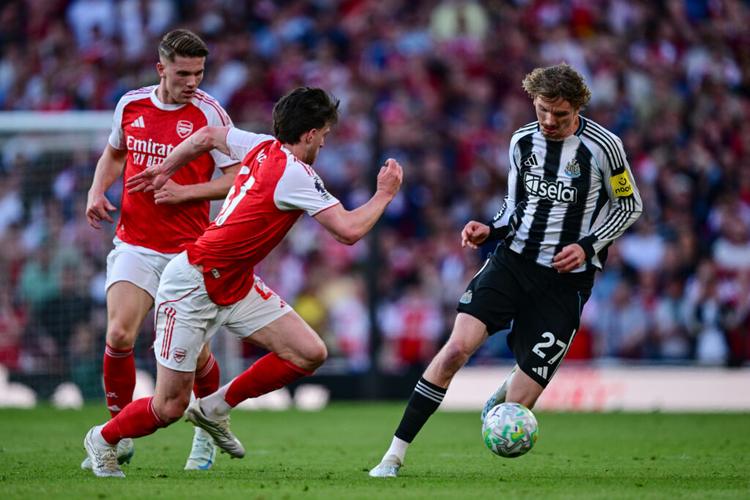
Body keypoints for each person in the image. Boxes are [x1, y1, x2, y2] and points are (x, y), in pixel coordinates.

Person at [82, 87, 403, 478]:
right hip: (193, 283)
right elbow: (348, 230)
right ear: (309, 135)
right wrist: (384, 194)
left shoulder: (260, 144)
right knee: (169, 406)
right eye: (323, 134)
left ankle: (215, 407)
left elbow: (206, 137)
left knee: (308, 352)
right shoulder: (296, 174)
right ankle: (102, 438)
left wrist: (166, 167)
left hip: (235, 281)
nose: (324, 142)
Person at [369, 63, 643, 478]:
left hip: (564, 283)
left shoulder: (605, 147)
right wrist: (490, 228)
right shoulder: (522, 141)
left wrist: (588, 246)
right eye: (542, 110)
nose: (549, 121)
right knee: (455, 350)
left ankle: (513, 383)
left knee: (515, 410)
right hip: (512, 263)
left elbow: (629, 205)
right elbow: (514, 206)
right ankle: (393, 456)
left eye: (560, 114)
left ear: (577, 108)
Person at [83, 29, 240, 472]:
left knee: (198, 353)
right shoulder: (131, 104)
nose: (192, 81)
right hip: (135, 243)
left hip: (188, 252)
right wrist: (96, 190)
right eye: (183, 73)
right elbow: (115, 154)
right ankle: (116, 435)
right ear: (161, 69)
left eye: (199, 73)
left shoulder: (210, 113)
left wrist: (186, 194)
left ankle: (206, 431)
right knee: (119, 334)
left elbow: (237, 178)